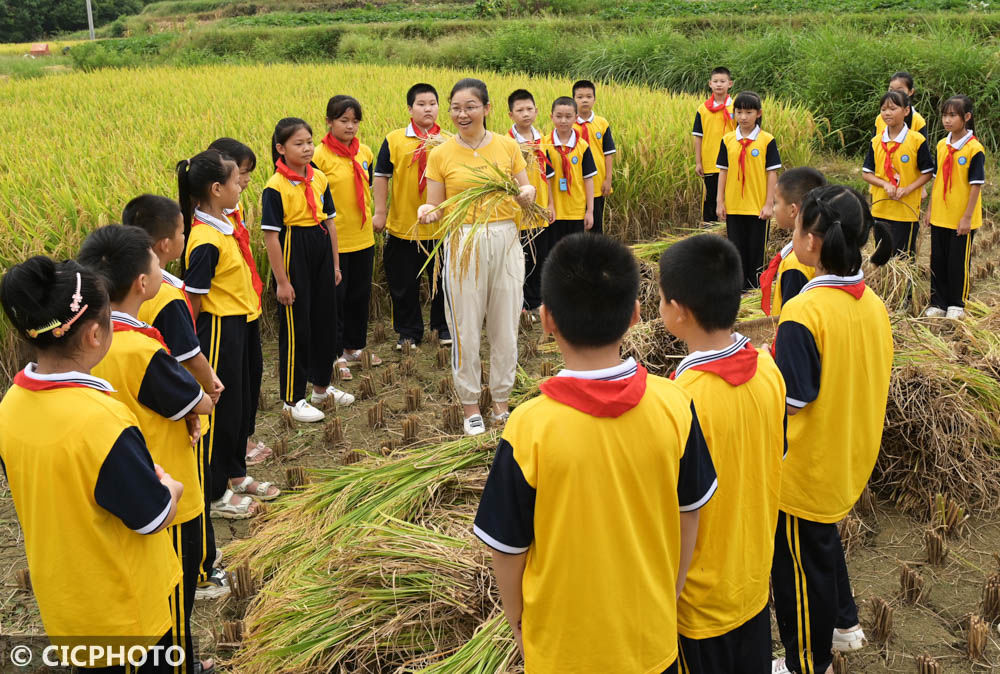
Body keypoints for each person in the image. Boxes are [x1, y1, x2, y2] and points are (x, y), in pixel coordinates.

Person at [474, 233, 716, 673]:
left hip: (562, 652)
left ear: (547, 319)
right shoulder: (674, 404)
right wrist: (671, 592)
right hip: (651, 640)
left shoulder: (529, 427)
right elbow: (690, 515)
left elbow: (508, 550)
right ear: (636, 316)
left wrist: (518, 624)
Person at [0, 256, 183, 670]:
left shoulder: (10, 407)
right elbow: (152, 516)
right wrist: (170, 488)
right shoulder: (102, 420)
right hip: (125, 616)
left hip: (67, 606)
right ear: (95, 335)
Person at [79, 224, 216, 674]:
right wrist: (201, 404)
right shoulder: (139, 349)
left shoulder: (90, 344)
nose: (163, 268)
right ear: (142, 282)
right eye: (156, 263)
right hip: (168, 492)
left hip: (119, 494)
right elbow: (199, 399)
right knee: (174, 600)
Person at [770, 185, 894, 674]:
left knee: (798, 572)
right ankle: (844, 625)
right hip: (848, 453)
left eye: (799, 223)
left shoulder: (805, 310)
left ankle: (805, 662)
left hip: (804, 469)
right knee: (820, 551)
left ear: (811, 241)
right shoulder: (872, 304)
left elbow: (793, 401)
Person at [659, 234, 786, 673]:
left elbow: (675, 507)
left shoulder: (681, 400)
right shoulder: (769, 370)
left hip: (699, 601)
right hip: (752, 580)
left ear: (678, 312)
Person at [122, 193, 231, 603]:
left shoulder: (116, 299)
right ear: (165, 245)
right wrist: (210, 387)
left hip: (142, 423)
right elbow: (186, 355)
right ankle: (200, 571)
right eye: (183, 231)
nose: (187, 237)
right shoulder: (164, 295)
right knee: (188, 495)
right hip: (173, 419)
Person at [418, 78, 535, 436]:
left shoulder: (507, 146)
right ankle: (470, 402)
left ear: (487, 109)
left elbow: (522, 188)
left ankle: (501, 399)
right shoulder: (440, 154)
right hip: (463, 242)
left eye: (470, 106)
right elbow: (436, 205)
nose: (461, 113)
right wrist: (428, 210)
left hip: (505, 238)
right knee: (465, 327)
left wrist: (527, 193)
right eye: (455, 107)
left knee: (504, 326)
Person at [180, 149, 280, 528]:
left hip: (244, 323)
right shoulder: (204, 237)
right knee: (221, 410)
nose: (242, 185)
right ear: (217, 188)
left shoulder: (225, 224)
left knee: (241, 404)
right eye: (237, 180)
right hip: (220, 328)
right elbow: (195, 297)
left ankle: (236, 472)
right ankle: (217, 492)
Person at [261, 117, 354, 422]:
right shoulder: (274, 187)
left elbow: (330, 221)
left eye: (309, 142)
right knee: (297, 326)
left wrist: (336, 264)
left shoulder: (319, 178)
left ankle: (321, 387)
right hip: (294, 247)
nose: (306, 148)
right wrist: (282, 282)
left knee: (325, 321)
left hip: (320, 244)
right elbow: (271, 236)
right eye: (298, 144)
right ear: (280, 148)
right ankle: (292, 398)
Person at [206, 138, 271, 468]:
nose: (245, 181)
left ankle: (241, 441)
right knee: (229, 389)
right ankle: (228, 459)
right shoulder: (205, 229)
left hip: (248, 309)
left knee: (250, 381)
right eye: (241, 175)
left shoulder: (233, 212)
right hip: (224, 318)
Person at [373, 83, 451, 351]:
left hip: (443, 227)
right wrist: (380, 212)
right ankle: (408, 333)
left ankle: (443, 327)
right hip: (404, 227)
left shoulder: (450, 140)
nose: (427, 108)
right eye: (421, 104)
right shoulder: (394, 139)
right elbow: (381, 175)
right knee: (404, 284)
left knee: (444, 283)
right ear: (410, 109)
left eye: (432, 103)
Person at [314, 95, 384, 378]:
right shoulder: (318, 156)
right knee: (335, 300)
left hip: (363, 237)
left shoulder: (364, 152)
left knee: (358, 295)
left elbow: (366, 189)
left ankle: (354, 347)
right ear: (329, 122)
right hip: (335, 240)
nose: (350, 127)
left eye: (355, 121)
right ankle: (333, 354)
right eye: (343, 121)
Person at [923, 95, 984, 320]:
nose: (947, 120)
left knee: (957, 262)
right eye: (944, 115)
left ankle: (957, 303)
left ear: (966, 117)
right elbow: (937, 179)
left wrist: (967, 217)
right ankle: (937, 301)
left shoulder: (974, 149)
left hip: (961, 216)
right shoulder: (941, 145)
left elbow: (976, 186)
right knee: (937, 259)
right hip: (941, 215)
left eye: (952, 115)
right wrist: (930, 210)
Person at [716, 90, 782, 290]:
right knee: (736, 251)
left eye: (749, 112)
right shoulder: (727, 140)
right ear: (733, 113)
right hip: (734, 206)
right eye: (739, 112)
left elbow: (771, 173)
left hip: (757, 207)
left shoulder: (767, 140)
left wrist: (769, 204)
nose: (743, 117)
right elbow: (723, 172)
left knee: (756, 252)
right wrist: (720, 201)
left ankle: (755, 291)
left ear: (759, 114)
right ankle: (738, 290)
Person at [861, 90, 934, 259]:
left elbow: (928, 172)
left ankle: (905, 287)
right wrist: (884, 184)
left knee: (903, 258)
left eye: (893, 108)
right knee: (881, 256)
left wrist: (909, 189)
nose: (887, 113)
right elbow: (866, 173)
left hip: (906, 211)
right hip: (880, 208)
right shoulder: (876, 141)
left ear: (906, 111)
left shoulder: (916, 140)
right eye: (883, 109)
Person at [507, 88, 556, 318]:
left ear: (536, 111)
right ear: (511, 114)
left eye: (529, 109)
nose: (525, 114)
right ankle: (522, 302)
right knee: (521, 258)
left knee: (540, 257)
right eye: (520, 110)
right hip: (519, 213)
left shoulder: (543, 140)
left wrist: (551, 205)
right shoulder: (507, 143)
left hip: (540, 211)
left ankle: (536, 300)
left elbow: (549, 176)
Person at [760, 167, 827, 316]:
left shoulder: (796, 263)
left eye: (776, 202)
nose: (774, 208)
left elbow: (792, 319)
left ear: (793, 210)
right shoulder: (825, 244)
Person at [546, 96, 597, 246]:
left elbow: (588, 179)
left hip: (576, 210)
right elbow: (545, 180)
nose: (563, 121)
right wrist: (549, 205)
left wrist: (590, 211)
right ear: (551, 117)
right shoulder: (544, 145)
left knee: (575, 254)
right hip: (554, 212)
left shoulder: (582, 146)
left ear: (576, 117)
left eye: (568, 117)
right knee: (554, 253)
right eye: (559, 116)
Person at [692, 67, 736, 223]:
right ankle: (709, 233)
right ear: (710, 84)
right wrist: (698, 162)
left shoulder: (737, 107)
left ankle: (729, 229)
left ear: (729, 84)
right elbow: (698, 136)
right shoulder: (702, 109)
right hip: (710, 162)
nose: (719, 85)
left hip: (732, 162)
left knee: (731, 196)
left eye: (722, 81)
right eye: (716, 81)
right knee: (710, 197)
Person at [572, 79, 616, 235]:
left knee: (596, 225)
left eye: (589, 96)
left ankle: (596, 256)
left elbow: (608, 152)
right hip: (575, 184)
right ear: (574, 100)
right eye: (580, 97)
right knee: (576, 225)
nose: (584, 100)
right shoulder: (568, 124)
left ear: (594, 99)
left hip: (597, 183)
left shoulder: (602, 123)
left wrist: (608, 179)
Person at [872, 71, 927, 139]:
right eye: (891, 90)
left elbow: (922, 147)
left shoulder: (918, 120)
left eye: (899, 91)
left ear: (911, 92)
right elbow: (873, 146)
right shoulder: (880, 118)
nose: (894, 94)